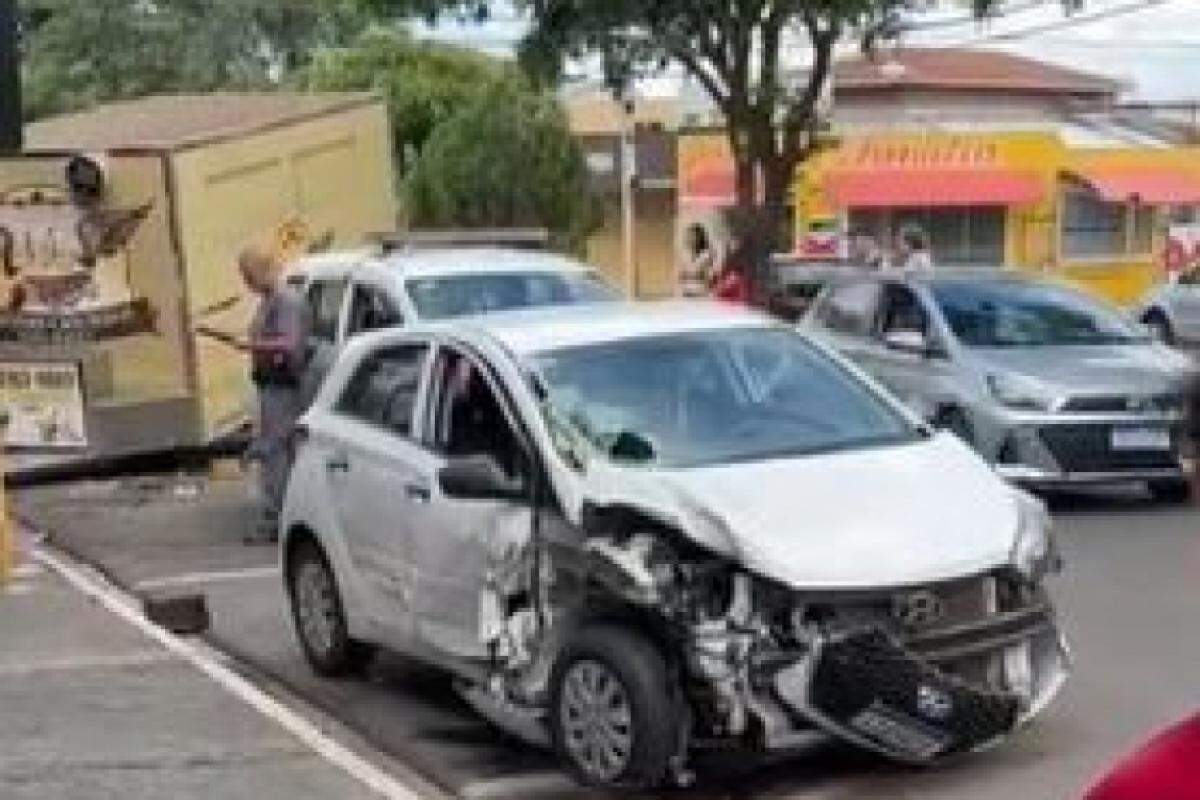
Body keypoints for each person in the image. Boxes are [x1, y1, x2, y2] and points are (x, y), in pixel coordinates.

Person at [240, 243, 310, 544]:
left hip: (283, 385)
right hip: (268, 383)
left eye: (248, 275)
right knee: (272, 451)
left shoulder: (286, 302)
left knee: (277, 451)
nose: (246, 283)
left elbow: (290, 343)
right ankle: (277, 514)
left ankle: (280, 518)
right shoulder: (269, 302)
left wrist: (253, 346)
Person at [680, 224, 717, 298]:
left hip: (702, 294)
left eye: (693, 236)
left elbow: (708, 279)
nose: (691, 239)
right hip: (687, 293)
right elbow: (681, 277)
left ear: (700, 238)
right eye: (689, 236)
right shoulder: (686, 255)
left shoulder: (707, 255)